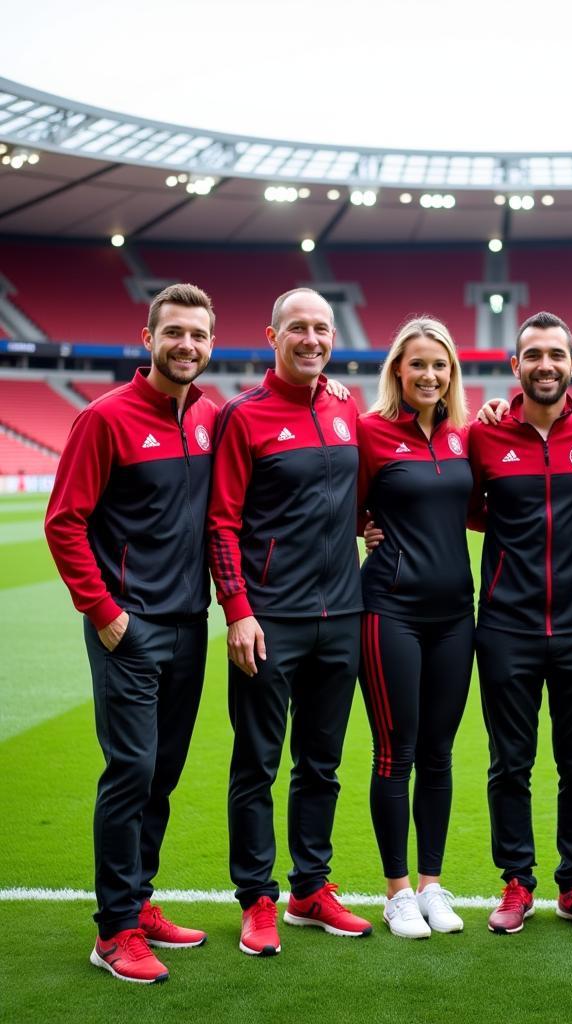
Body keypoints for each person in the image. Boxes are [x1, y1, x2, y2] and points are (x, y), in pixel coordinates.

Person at [45, 283, 218, 984]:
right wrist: (104, 611)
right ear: (148, 339)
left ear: (212, 344)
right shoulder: (103, 418)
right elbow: (64, 521)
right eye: (173, 332)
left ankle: (140, 900)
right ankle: (114, 929)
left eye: (198, 336)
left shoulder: (209, 415)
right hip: (129, 628)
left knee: (164, 775)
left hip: (189, 623)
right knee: (131, 772)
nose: (185, 346)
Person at [207, 287, 371, 956]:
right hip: (270, 619)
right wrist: (239, 610)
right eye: (298, 327)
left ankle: (310, 887)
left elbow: (353, 499)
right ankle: (257, 898)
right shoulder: (242, 416)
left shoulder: (345, 409)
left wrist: (372, 527)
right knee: (258, 764)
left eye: (322, 328)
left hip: (343, 614)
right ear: (271, 335)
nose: (311, 338)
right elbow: (220, 521)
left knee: (322, 764)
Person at [468, 310, 572, 936]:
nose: (545, 365)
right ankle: (517, 882)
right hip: (506, 624)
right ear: (516, 366)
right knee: (511, 763)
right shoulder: (485, 436)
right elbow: (461, 502)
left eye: (556, 354)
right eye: (533, 355)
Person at [356, 318, 475, 938]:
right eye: (418, 364)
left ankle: (432, 886)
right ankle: (397, 891)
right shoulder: (370, 433)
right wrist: (363, 529)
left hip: (457, 615)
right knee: (394, 752)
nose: (430, 375)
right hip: (390, 611)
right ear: (397, 371)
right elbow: (338, 506)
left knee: (438, 753)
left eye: (441, 365)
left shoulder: (463, 439)